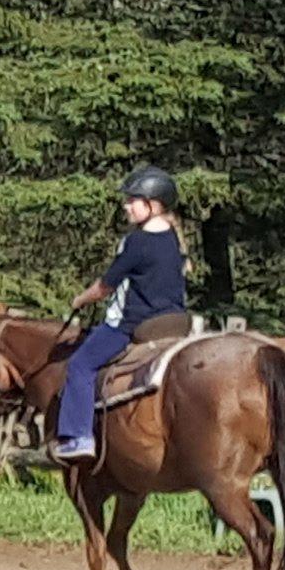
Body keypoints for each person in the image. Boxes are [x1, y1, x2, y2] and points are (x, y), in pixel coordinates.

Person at [53, 167, 192, 464]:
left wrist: (78, 300)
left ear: (152, 205)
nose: (126, 206)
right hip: (178, 323)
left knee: (80, 365)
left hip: (136, 325)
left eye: (133, 200)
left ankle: (78, 436)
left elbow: (104, 288)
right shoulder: (174, 239)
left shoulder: (136, 243)